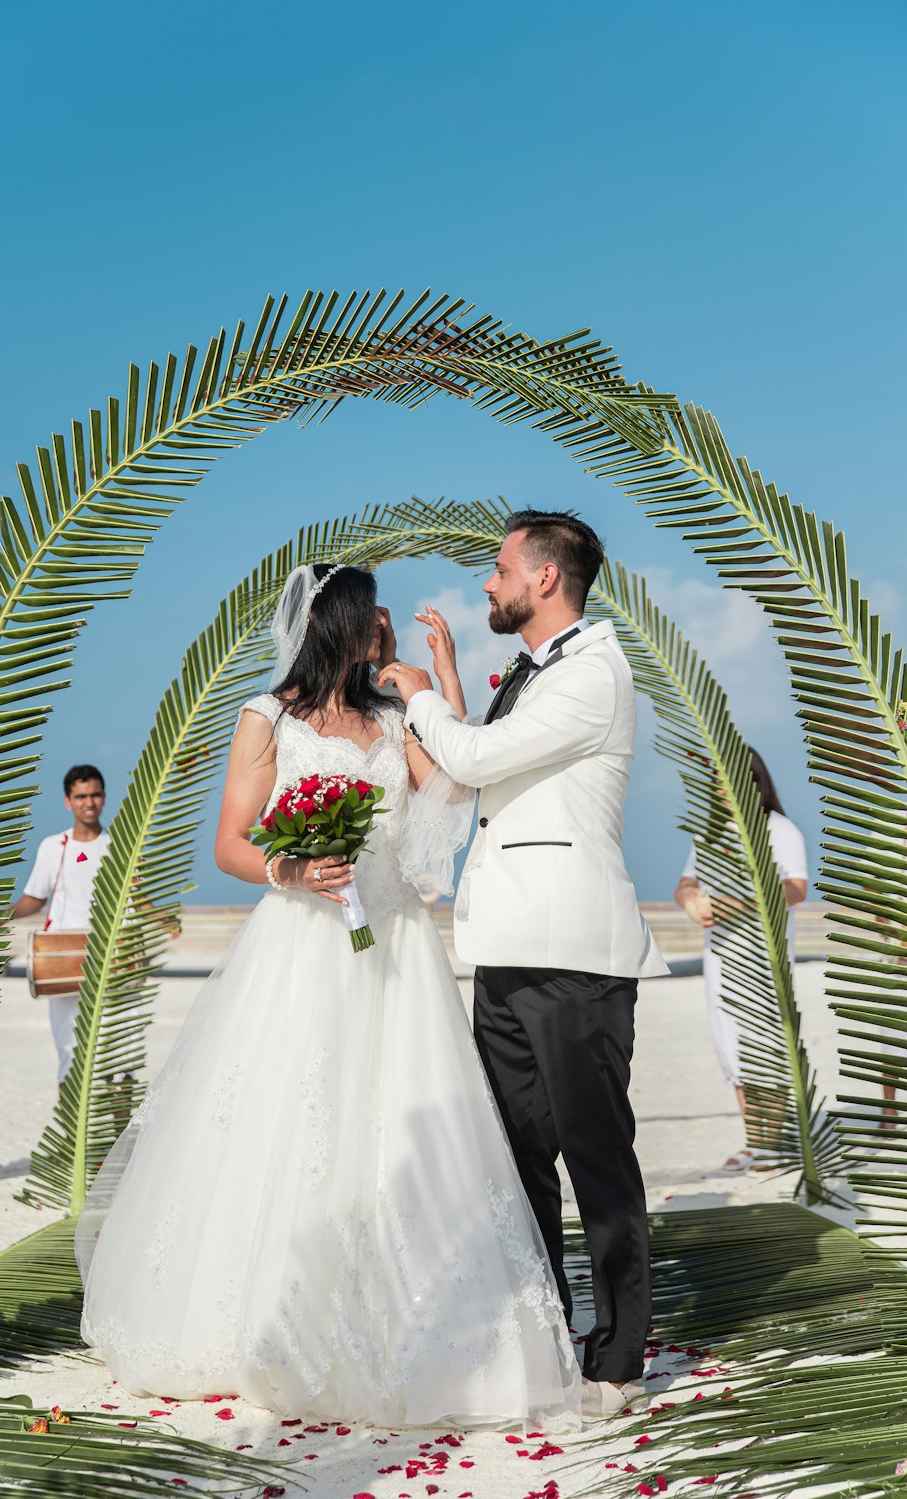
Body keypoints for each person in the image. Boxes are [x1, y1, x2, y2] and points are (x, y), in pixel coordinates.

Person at [76, 562, 580, 1430]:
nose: (379, 625)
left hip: (395, 946)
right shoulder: (265, 717)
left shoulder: (391, 717)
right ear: (334, 625)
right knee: (287, 1119)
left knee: (402, 1118)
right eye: (367, 615)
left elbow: (452, 793)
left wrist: (444, 684)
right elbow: (232, 844)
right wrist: (296, 867)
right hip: (303, 943)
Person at [380, 509, 667, 1421]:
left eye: (499, 568)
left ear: (546, 578)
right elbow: (471, 778)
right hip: (502, 950)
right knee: (519, 1162)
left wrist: (422, 690)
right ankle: (544, 1338)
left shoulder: (593, 675)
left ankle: (619, 1355)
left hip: (574, 954)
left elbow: (469, 753)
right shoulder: (535, 675)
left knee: (596, 1157)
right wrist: (456, 687)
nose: (488, 582)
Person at [674, 749, 807, 1171]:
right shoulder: (709, 833)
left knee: (767, 1040)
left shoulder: (779, 829)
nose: (724, 788)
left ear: (756, 783)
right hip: (719, 955)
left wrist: (740, 904)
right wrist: (690, 900)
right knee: (729, 1040)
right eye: (719, 781)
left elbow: (796, 889)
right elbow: (685, 882)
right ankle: (754, 1139)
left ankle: (778, 1142)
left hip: (762, 954)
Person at [10, 765, 111, 1086]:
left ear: (104, 798)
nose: (89, 802)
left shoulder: (120, 845)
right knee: (70, 1057)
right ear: (68, 801)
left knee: (116, 1061)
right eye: (81, 796)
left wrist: (163, 919)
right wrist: (1, 915)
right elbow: (34, 899)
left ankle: (117, 1134)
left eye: (94, 794)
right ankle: (74, 1135)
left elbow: (138, 895)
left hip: (109, 958)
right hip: (61, 960)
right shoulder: (52, 847)